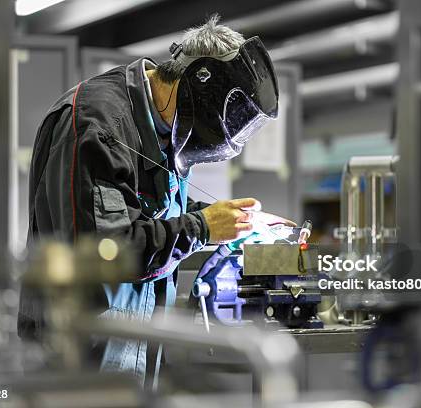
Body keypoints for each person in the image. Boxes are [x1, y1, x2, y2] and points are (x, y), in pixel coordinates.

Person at [17, 15, 293, 385]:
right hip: (79, 355)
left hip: (135, 345)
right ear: (199, 85)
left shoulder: (166, 124)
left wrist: (224, 218)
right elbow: (108, 251)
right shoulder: (97, 123)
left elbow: (148, 208)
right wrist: (203, 226)